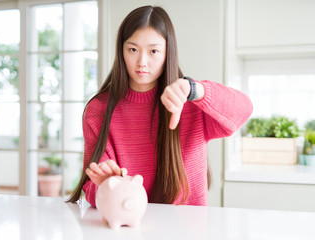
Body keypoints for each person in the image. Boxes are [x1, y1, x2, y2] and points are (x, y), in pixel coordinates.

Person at [68, 5, 252, 206]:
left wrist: (195, 90)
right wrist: (106, 186)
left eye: (154, 51)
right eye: (132, 49)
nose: (142, 62)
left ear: (167, 52)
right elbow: (92, 189)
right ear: (121, 51)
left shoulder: (191, 104)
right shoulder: (99, 110)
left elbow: (244, 109)